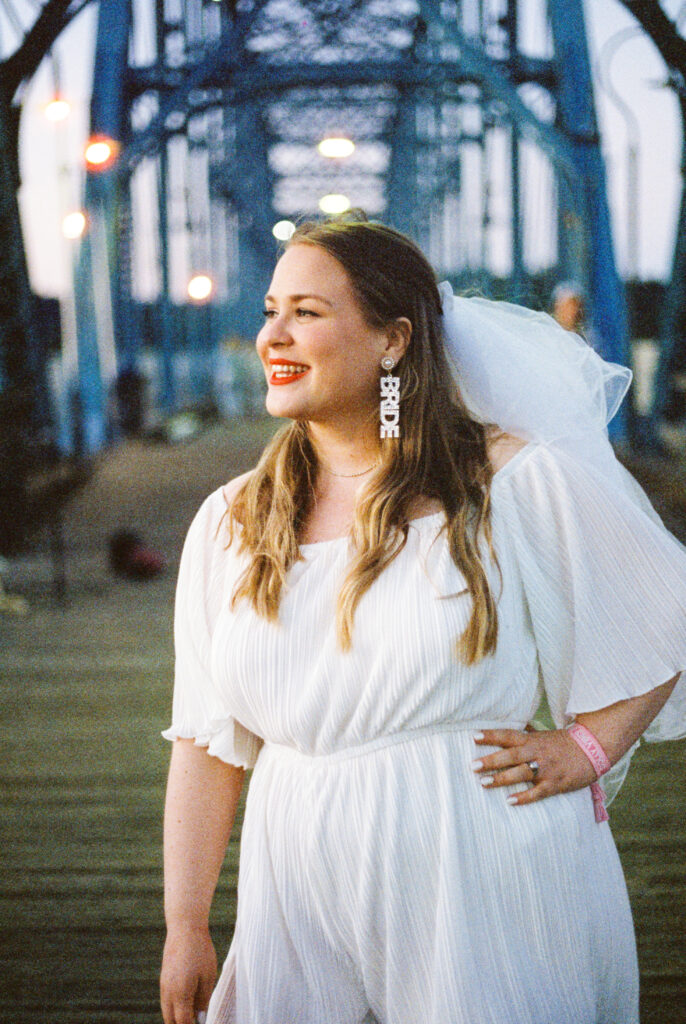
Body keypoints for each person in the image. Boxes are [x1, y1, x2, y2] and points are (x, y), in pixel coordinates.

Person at [160, 215, 686, 1024]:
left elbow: (663, 611)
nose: (273, 334)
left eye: (307, 311)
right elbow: (205, 741)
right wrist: (185, 926)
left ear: (393, 340)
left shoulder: (510, 482)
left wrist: (588, 747)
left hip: (479, 868)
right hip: (298, 879)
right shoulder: (231, 520)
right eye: (270, 309)